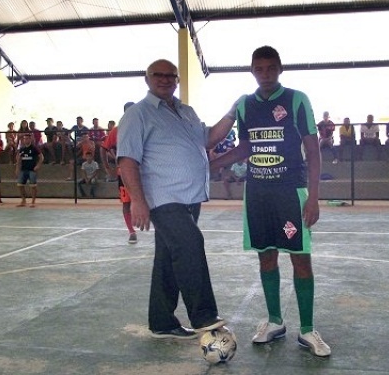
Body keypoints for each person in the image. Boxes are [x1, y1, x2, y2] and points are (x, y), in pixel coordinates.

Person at [209, 46, 331, 357]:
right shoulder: (245, 105)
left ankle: (307, 329)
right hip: (258, 195)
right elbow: (245, 148)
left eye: (271, 68)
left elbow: (313, 151)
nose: (265, 74)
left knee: (300, 259)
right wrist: (212, 164)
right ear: (252, 71)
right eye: (259, 69)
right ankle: (275, 321)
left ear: (280, 69)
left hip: (291, 192)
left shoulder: (297, 100)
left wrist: (314, 197)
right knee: (266, 257)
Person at [117, 58, 233, 339]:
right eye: (158, 74)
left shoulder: (186, 111)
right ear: (147, 79)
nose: (165, 79)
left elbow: (208, 138)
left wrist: (233, 113)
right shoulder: (137, 114)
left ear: (178, 80)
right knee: (190, 243)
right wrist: (137, 201)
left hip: (190, 197)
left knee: (168, 258)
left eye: (171, 75)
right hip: (163, 197)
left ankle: (162, 321)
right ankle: (204, 315)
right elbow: (127, 160)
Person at [101, 102, 138, 244]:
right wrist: (107, 167)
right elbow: (103, 148)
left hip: (142, 172)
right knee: (126, 202)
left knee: (151, 201)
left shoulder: (143, 127)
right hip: (124, 173)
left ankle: (160, 229)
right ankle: (131, 231)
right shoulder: (117, 130)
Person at [15, 133, 44, 207]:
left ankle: (33, 201)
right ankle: (23, 200)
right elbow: (18, 159)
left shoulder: (34, 148)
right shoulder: (22, 149)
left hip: (32, 169)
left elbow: (41, 157)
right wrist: (17, 168)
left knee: (33, 186)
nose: (26, 140)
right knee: (20, 185)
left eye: (27, 138)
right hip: (23, 169)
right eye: (24, 139)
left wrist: (38, 165)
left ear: (30, 139)